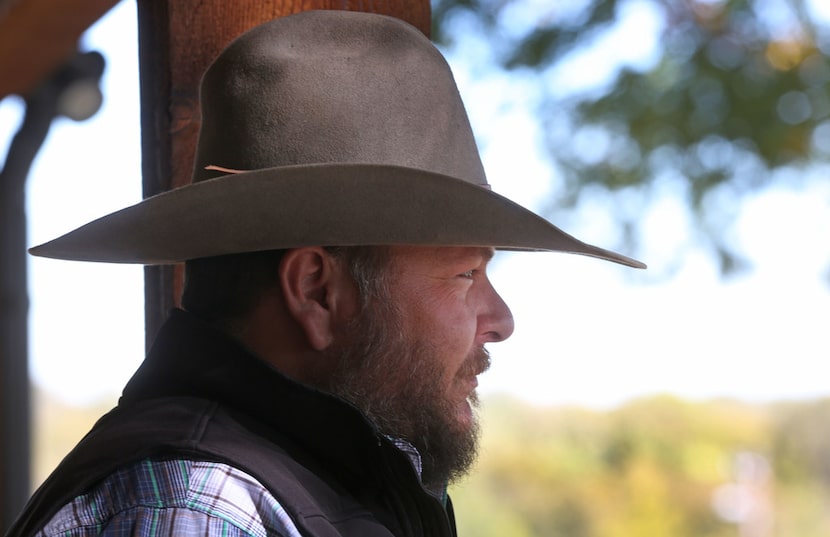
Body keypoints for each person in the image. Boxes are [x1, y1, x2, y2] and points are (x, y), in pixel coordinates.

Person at [8, 9, 644, 537]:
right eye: (466, 275)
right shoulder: (195, 510)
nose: (501, 320)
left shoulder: (301, 481)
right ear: (317, 290)